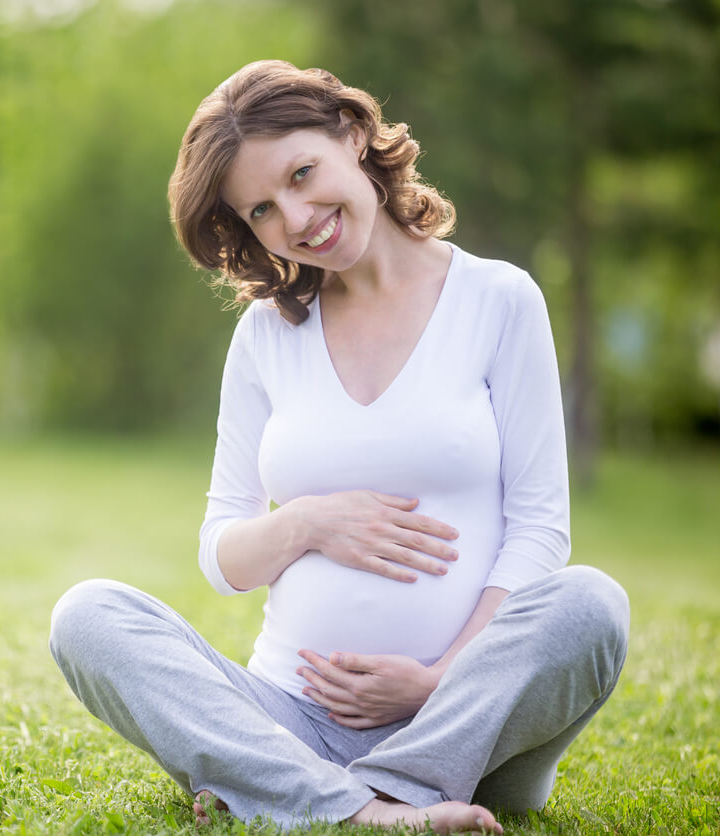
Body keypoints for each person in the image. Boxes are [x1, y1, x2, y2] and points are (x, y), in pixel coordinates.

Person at [49, 59, 629, 834]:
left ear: (353, 136)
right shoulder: (265, 337)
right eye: (260, 209)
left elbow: (539, 532)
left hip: (469, 725)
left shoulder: (499, 300)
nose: (294, 216)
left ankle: (314, 793)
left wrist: (437, 683)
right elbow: (222, 555)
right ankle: (363, 811)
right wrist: (309, 524)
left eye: (301, 173)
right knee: (87, 617)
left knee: (592, 605)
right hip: (292, 717)